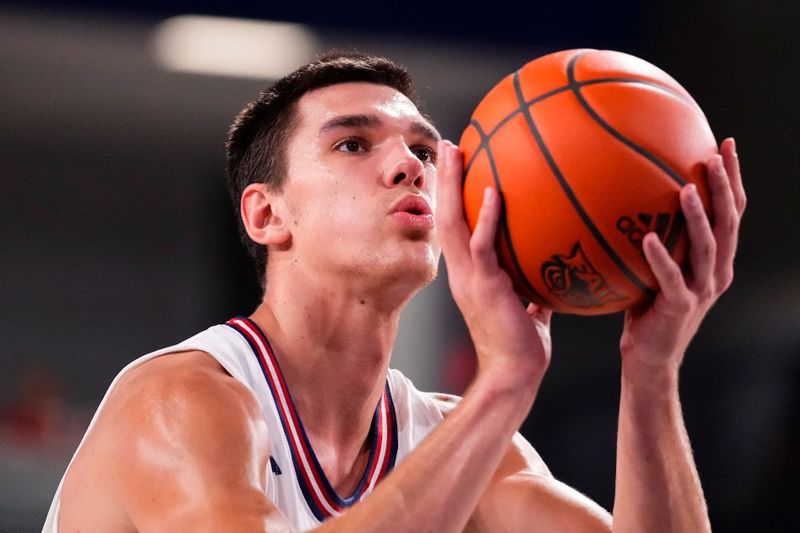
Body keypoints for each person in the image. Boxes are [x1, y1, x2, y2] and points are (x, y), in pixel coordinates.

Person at [43, 50, 746, 532]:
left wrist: (652, 372)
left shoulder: (459, 443)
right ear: (267, 214)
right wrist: (502, 385)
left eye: (423, 149)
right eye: (353, 144)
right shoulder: (181, 402)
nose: (408, 166)